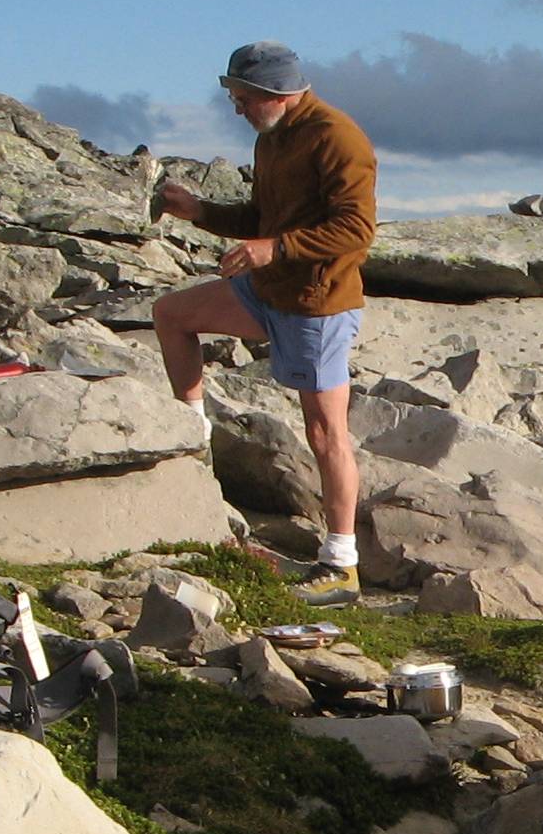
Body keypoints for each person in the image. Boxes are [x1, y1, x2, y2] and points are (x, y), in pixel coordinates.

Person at [150, 41, 376, 607]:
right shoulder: (271, 136)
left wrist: (275, 248)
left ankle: (341, 567)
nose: (237, 108)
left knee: (325, 433)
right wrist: (199, 211)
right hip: (269, 290)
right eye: (235, 96)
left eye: (244, 97)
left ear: (277, 93)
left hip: (317, 303)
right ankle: (193, 444)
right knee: (171, 314)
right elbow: (261, 217)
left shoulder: (337, 137)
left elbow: (357, 229)